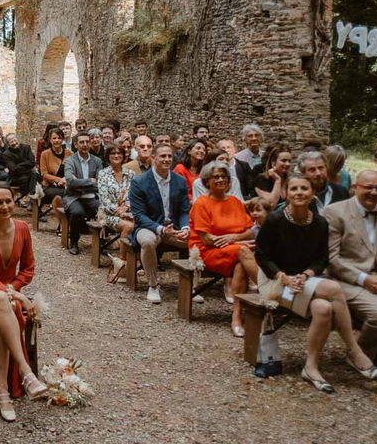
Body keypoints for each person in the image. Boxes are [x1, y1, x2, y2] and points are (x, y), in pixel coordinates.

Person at [255, 174, 377, 391]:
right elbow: (262, 255)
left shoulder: (320, 223)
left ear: (312, 193)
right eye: (293, 189)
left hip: (304, 281)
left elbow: (322, 258)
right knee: (332, 287)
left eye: (304, 188)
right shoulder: (275, 220)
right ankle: (353, 349)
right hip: (274, 283)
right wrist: (283, 277)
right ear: (287, 193)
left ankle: (311, 367)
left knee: (323, 308)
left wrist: (305, 275)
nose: (299, 193)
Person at [0, 184, 47, 421]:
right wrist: (19, 295)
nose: (5, 207)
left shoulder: (22, 228)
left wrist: (13, 289)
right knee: (2, 302)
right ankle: (26, 372)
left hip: (5, 297)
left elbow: (28, 269)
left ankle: (2, 391)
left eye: (9, 201)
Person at [325, 170, 377, 376]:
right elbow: (332, 259)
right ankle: (358, 354)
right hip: (344, 281)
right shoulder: (335, 212)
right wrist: (364, 279)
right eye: (368, 187)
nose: (374, 193)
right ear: (355, 187)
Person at [189, 162, 258, 337]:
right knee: (243, 252)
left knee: (241, 264)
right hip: (206, 252)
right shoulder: (202, 203)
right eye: (216, 177)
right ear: (206, 181)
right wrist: (239, 244)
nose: (221, 180)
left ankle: (236, 317)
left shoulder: (235, 201)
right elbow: (207, 239)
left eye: (224, 176)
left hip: (234, 250)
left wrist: (234, 239)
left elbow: (250, 230)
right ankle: (268, 289)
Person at [129, 143, 191, 304]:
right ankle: (153, 285)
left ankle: (192, 286)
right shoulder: (139, 182)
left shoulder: (179, 181)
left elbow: (185, 210)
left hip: (174, 227)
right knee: (148, 241)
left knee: (197, 239)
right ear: (154, 158)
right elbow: (139, 215)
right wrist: (161, 229)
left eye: (170, 156)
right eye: (163, 156)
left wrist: (185, 227)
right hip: (149, 226)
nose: (167, 159)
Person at [99, 145, 134, 283]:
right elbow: (104, 199)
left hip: (127, 211)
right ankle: (122, 264)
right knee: (128, 227)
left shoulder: (130, 174)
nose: (116, 156)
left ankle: (135, 262)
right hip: (108, 213)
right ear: (108, 156)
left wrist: (127, 207)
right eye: (112, 153)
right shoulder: (103, 174)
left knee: (138, 225)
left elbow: (133, 195)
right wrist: (117, 210)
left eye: (119, 153)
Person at [63, 132, 103, 255]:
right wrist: (90, 181)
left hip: (91, 196)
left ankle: (102, 243)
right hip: (74, 197)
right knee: (77, 212)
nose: (85, 145)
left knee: (103, 209)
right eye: (82, 142)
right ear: (76, 144)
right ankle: (74, 242)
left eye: (87, 142)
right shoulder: (70, 160)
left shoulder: (97, 161)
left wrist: (78, 182)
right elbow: (70, 181)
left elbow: (100, 183)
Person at [38, 127, 69, 211]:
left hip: (67, 185)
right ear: (50, 140)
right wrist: (59, 180)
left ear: (62, 139)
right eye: (54, 138)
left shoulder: (69, 153)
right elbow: (44, 174)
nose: (57, 140)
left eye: (59, 138)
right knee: (68, 194)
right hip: (49, 186)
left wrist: (66, 179)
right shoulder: (45, 154)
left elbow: (73, 171)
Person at [233, 123, 264, 195]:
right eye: (250, 136)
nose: (254, 138)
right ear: (244, 139)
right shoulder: (238, 158)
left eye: (257, 135)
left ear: (261, 138)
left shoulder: (267, 156)